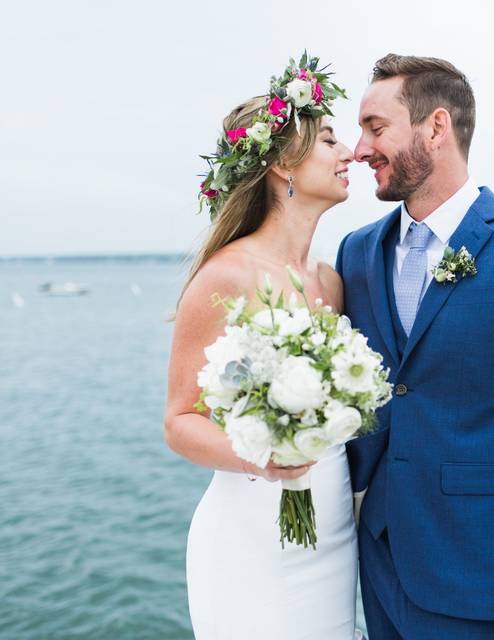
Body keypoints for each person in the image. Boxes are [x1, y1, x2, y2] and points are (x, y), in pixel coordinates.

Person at [336, 54, 494, 640]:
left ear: (435, 127)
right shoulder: (356, 252)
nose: (359, 149)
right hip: (378, 564)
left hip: (485, 576)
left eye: (375, 128)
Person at [163, 55, 359, 639]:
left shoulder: (330, 281)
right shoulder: (227, 276)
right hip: (254, 535)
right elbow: (179, 422)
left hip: (334, 526)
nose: (348, 152)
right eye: (328, 139)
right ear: (282, 163)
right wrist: (263, 459)